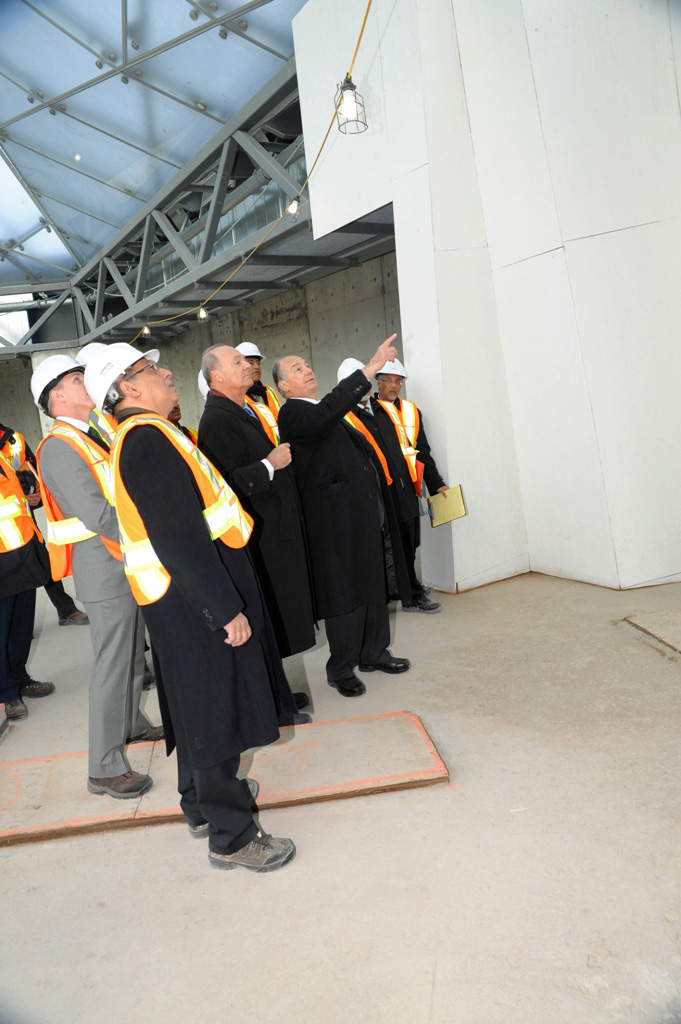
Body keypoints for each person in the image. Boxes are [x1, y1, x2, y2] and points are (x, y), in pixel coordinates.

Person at [84, 342, 297, 873]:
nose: (167, 373)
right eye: (151, 369)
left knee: (194, 703)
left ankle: (201, 802)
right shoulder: (147, 441)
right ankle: (232, 835)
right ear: (128, 389)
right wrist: (225, 610)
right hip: (192, 601)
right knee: (213, 710)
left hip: (178, 601)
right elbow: (179, 539)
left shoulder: (147, 435)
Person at [31, 355, 159, 799]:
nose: (85, 383)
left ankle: (131, 724)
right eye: (74, 379)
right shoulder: (61, 447)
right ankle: (104, 767)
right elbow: (100, 514)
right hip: (104, 570)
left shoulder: (93, 435)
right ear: (55, 397)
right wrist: (155, 526)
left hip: (122, 561)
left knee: (130, 658)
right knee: (113, 662)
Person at [275, 336, 410, 698]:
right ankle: (340, 667)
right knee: (344, 596)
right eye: (296, 368)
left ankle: (374, 652)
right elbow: (326, 414)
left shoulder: (322, 410)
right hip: (333, 523)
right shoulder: (294, 413)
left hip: (359, 516)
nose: (307, 370)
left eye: (306, 363)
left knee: (372, 585)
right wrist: (371, 367)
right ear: (284, 386)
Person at [198, 344, 316, 675]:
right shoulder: (217, 421)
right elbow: (228, 483)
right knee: (267, 613)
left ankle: (280, 692)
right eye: (237, 362)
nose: (248, 365)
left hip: (276, 526)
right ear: (217, 376)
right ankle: (276, 697)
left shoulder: (244, 409)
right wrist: (268, 464)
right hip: (259, 534)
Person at [373, 358, 447, 614]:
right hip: (385, 489)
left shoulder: (411, 410)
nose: (393, 386)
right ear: (377, 382)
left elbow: (422, 451)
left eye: (398, 381)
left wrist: (436, 484)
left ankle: (407, 588)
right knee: (391, 542)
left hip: (409, 487)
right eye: (388, 381)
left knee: (409, 540)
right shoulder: (369, 410)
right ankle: (409, 593)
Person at [0, 419, 90, 627]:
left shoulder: (15, 440)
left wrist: (36, 494)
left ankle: (66, 610)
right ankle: (18, 625)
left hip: (22, 518)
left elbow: (31, 471)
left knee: (43, 561)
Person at [0, 452, 55, 721]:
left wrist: (32, 495)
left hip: (23, 550)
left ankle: (19, 678)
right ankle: (7, 692)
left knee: (21, 626)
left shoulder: (3, 450)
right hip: (2, 558)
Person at [236, 342, 282, 417]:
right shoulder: (235, 396)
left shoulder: (270, 391)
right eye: (250, 363)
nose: (257, 366)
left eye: (258, 363)